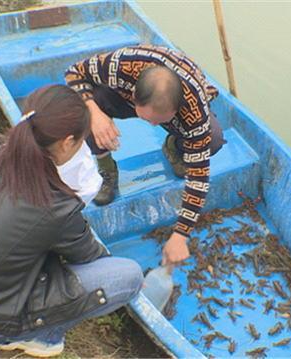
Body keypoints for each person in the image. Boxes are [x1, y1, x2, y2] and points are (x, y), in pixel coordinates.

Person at [0, 85, 143, 358]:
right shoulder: (56, 205)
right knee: (127, 276)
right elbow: (91, 257)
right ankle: (34, 336)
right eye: (80, 143)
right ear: (67, 143)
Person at [65, 44, 226, 267]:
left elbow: (198, 180)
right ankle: (106, 168)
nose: (151, 125)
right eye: (147, 119)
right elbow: (73, 72)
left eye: (157, 121)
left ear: (177, 110)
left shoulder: (194, 112)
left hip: (186, 108)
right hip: (123, 95)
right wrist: (94, 113)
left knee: (214, 138)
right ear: (133, 95)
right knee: (84, 108)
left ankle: (174, 146)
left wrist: (180, 235)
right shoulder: (120, 66)